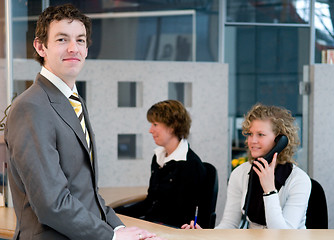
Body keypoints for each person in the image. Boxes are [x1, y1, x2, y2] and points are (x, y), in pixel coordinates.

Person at [4, 4, 161, 240]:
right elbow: (52, 203)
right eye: (61, 39)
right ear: (40, 46)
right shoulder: (31, 107)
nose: (73, 48)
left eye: (80, 40)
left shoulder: (73, 101)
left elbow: (86, 192)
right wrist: (112, 237)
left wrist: (118, 227)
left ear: (87, 48)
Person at [182, 103, 311, 229]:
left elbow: (283, 236)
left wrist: (269, 191)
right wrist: (204, 236)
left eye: (260, 134)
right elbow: (229, 224)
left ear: (280, 141)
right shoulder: (240, 173)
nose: (252, 141)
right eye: (250, 134)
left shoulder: (299, 180)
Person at [116, 100, 206, 228]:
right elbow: (151, 202)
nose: (150, 130)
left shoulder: (190, 165)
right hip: (153, 224)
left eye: (155, 124)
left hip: (170, 230)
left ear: (173, 126)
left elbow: (182, 215)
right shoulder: (158, 157)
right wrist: (116, 214)